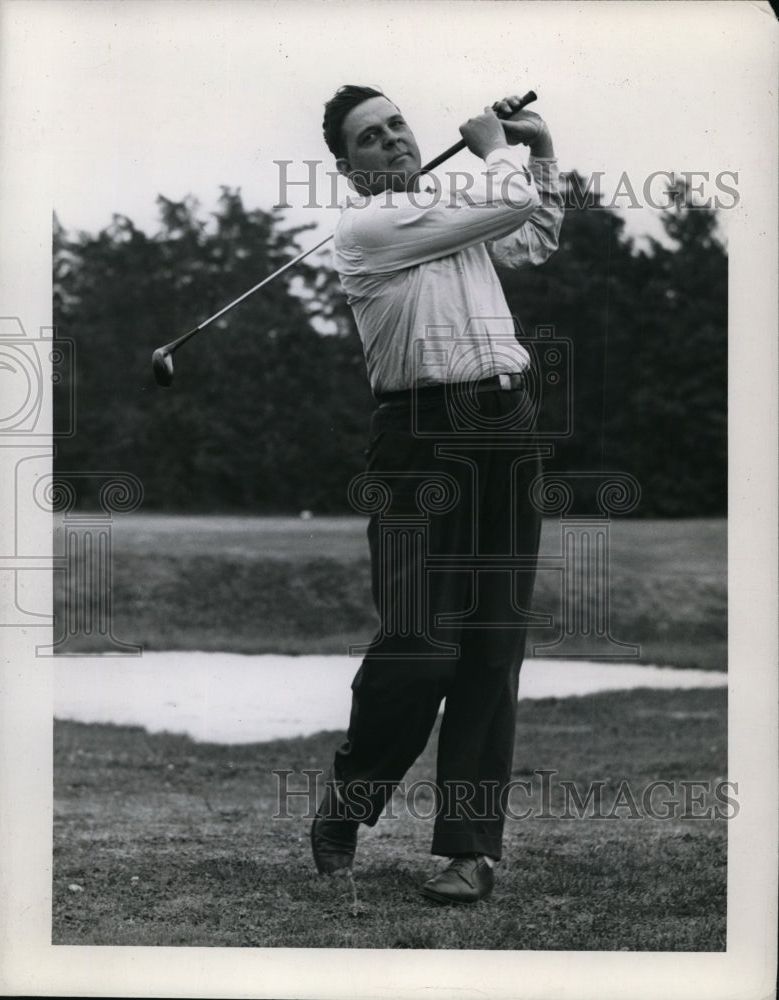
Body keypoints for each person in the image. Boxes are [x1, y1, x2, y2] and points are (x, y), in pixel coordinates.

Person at [311, 85, 564, 903]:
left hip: (505, 422)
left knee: (492, 645)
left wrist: (543, 150)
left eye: (396, 126)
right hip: (417, 437)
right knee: (420, 645)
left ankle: (469, 851)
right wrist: (499, 147)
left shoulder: (454, 209)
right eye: (370, 139)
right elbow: (509, 196)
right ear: (351, 173)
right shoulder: (369, 227)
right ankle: (352, 796)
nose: (391, 140)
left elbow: (532, 240)